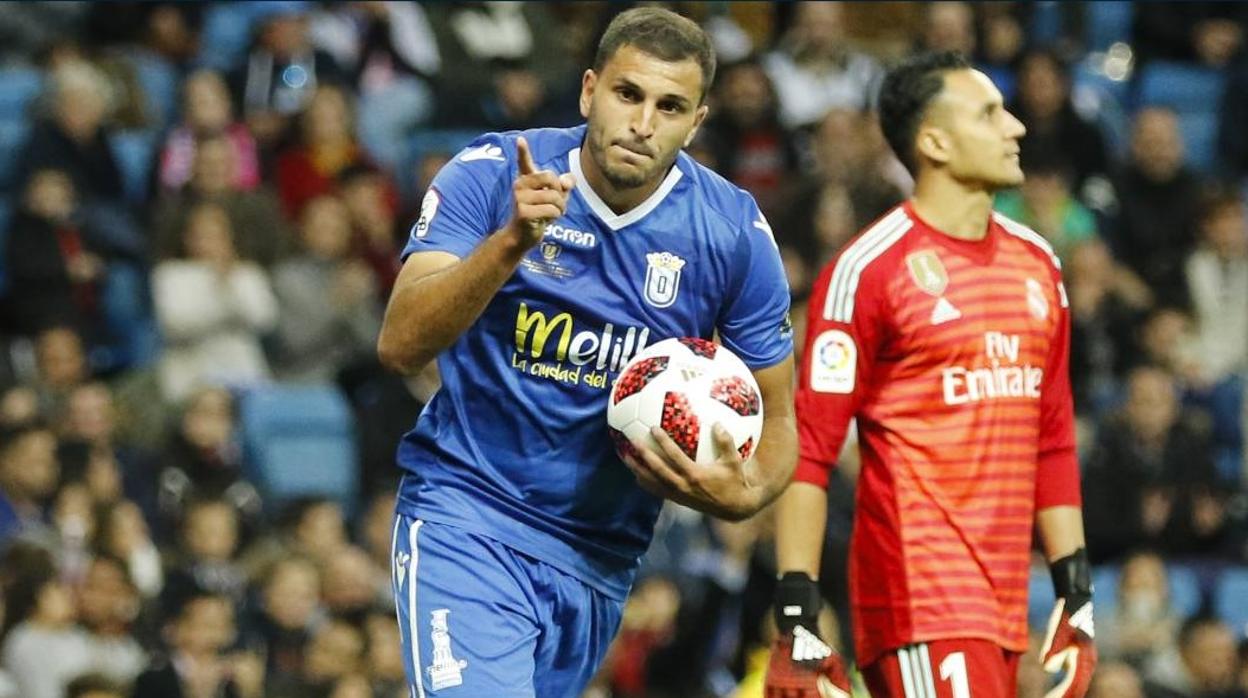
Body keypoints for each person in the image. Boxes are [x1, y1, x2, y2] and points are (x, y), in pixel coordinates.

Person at [375, 7, 796, 697]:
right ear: (589, 90)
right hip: (468, 519)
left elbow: (781, 420)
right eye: (628, 95)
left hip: (600, 560)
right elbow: (400, 343)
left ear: (696, 123)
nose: (642, 122)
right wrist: (510, 242)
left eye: (670, 106)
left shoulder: (733, 233)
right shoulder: (492, 173)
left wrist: (744, 493)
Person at [765, 52, 1096, 698]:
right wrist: (798, 612)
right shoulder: (868, 272)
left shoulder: (1039, 265)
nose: (1017, 127)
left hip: (1004, 607)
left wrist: (1075, 594)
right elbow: (809, 452)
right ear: (934, 141)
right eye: (991, 113)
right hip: (919, 598)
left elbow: (1052, 438)